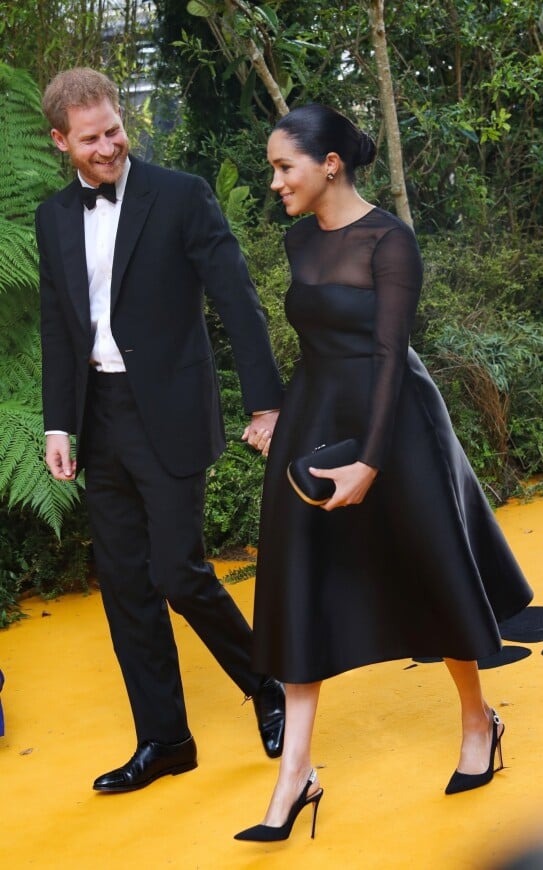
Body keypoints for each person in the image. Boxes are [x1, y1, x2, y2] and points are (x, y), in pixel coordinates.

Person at [235, 104, 533, 842]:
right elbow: (315, 339)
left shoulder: (391, 241)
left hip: (392, 423)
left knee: (428, 573)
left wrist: (369, 461)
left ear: (328, 163)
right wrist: (279, 416)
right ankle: (295, 777)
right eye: (273, 168)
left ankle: (476, 718)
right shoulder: (298, 239)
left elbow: (387, 356)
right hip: (314, 418)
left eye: (284, 167)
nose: (275, 182)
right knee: (300, 583)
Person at [36, 67, 286, 794]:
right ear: (61, 142)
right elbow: (59, 326)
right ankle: (166, 740)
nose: (109, 145)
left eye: (114, 129)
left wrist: (265, 403)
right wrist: (59, 424)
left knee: (178, 572)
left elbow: (238, 301)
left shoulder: (181, 195)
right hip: (99, 417)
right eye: (91, 139)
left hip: (170, 411)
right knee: (123, 586)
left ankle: (265, 682)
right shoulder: (53, 218)